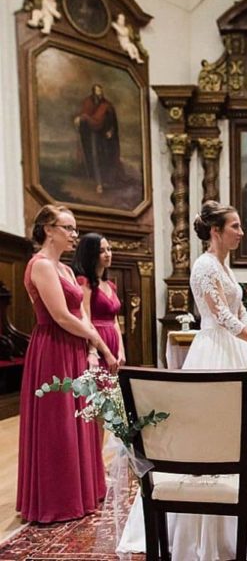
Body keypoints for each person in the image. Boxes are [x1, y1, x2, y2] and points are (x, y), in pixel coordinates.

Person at [118, 201, 247, 560]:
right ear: (216, 231)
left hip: (237, 353)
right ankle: (205, 526)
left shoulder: (223, 265)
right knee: (213, 434)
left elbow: (243, 315)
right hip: (215, 353)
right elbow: (227, 322)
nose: (241, 232)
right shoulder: (204, 267)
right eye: (235, 226)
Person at [17, 204, 117, 524]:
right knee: (58, 424)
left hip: (74, 349)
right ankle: (58, 499)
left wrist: (90, 348)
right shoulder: (42, 265)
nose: (74, 234)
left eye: (75, 229)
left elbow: (81, 314)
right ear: (48, 229)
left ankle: (83, 491)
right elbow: (60, 317)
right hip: (53, 350)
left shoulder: (67, 270)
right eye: (67, 228)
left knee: (81, 420)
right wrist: (101, 344)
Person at [72, 233, 126, 369]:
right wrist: (104, 352)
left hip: (113, 339)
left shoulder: (110, 285)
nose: (108, 254)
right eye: (101, 251)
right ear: (90, 254)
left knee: (111, 388)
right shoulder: (84, 282)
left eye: (109, 249)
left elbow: (115, 321)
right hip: (96, 341)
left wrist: (121, 349)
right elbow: (86, 320)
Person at [74, 84, 122, 195]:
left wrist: (111, 130)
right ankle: (99, 183)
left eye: (100, 91)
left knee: (105, 156)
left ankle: (105, 180)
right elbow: (84, 115)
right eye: (97, 91)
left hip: (104, 135)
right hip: (93, 135)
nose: (99, 93)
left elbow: (112, 120)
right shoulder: (88, 103)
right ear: (93, 92)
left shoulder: (107, 105)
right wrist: (80, 119)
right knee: (95, 156)